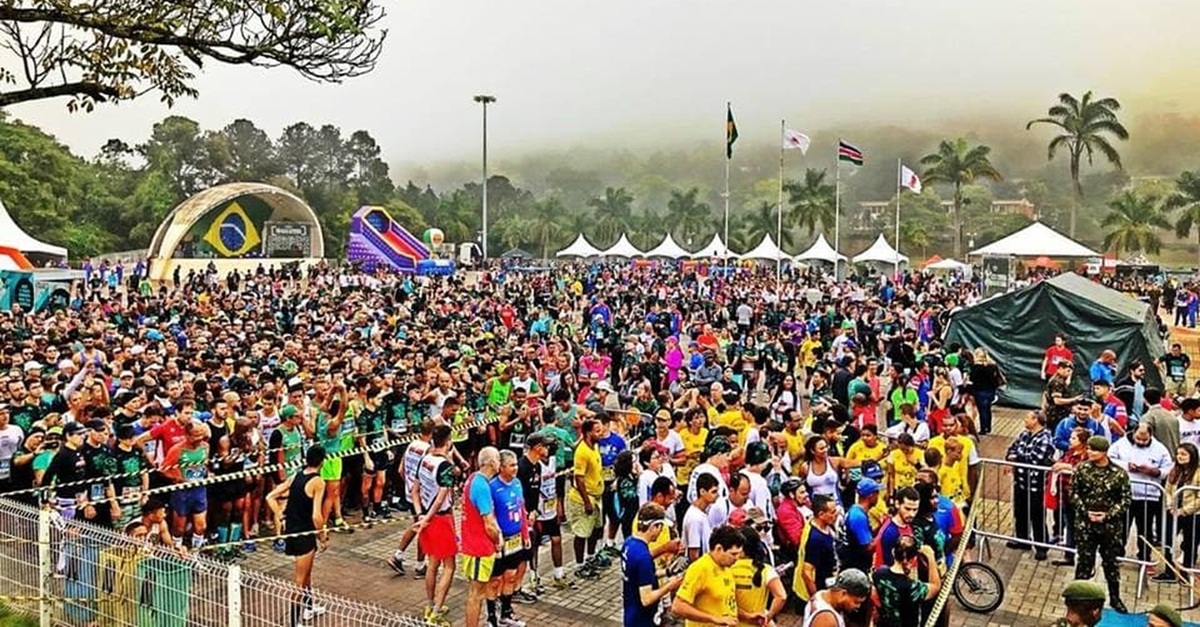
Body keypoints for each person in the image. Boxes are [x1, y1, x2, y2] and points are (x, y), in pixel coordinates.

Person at [266, 444, 328, 627]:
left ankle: (309, 607)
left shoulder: (296, 476)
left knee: (306, 574)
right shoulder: (318, 482)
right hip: (304, 533)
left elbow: (270, 497)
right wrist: (322, 535)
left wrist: (281, 515)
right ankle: (294, 622)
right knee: (299, 582)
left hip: (292, 530)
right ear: (322, 461)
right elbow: (316, 515)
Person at [1072, 436, 1132, 613]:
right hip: (1085, 526)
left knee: (1111, 564)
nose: (1089, 452)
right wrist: (1086, 512)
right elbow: (1074, 493)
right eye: (1089, 448)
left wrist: (1107, 515)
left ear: (1104, 452)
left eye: (1094, 449)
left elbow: (1126, 499)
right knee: (1084, 563)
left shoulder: (1118, 473)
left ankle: (1115, 598)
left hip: (1109, 528)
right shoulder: (1081, 469)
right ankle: (1077, 598)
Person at [416, 424, 460, 626]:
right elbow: (442, 497)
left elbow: (414, 490)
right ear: (448, 441)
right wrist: (428, 517)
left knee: (432, 564)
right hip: (440, 519)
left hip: (426, 517)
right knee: (449, 566)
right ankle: (435, 613)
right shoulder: (444, 467)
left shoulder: (425, 459)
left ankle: (429, 604)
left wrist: (420, 514)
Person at [621, 502, 683, 627]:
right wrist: (670, 585)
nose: (661, 532)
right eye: (660, 527)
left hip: (631, 614)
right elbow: (646, 599)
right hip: (642, 620)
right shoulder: (643, 557)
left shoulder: (628, 543)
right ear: (653, 526)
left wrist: (667, 572)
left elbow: (639, 575)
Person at [1004, 410, 1055, 560]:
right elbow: (1012, 448)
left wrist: (1016, 457)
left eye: (1027, 418)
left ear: (1036, 420)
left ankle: (1041, 546)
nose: (1024, 421)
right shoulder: (1024, 434)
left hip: (1036, 485)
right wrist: (1012, 456)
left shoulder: (1045, 438)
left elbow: (1034, 459)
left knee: (1037, 516)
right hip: (1020, 481)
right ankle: (1022, 540)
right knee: (1020, 512)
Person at [671, 524, 744, 626]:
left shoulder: (728, 568)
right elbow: (678, 607)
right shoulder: (700, 569)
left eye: (739, 554)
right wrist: (714, 619)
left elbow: (725, 604)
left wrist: (748, 616)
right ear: (718, 549)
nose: (737, 558)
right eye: (733, 554)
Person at [872, 536, 941, 627]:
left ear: (893, 553)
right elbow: (935, 586)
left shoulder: (879, 573)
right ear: (913, 559)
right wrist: (931, 557)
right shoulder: (911, 587)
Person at [800, 569, 872, 627]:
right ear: (843, 593)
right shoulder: (826, 619)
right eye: (856, 602)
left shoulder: (822, 594)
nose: (858, 606)